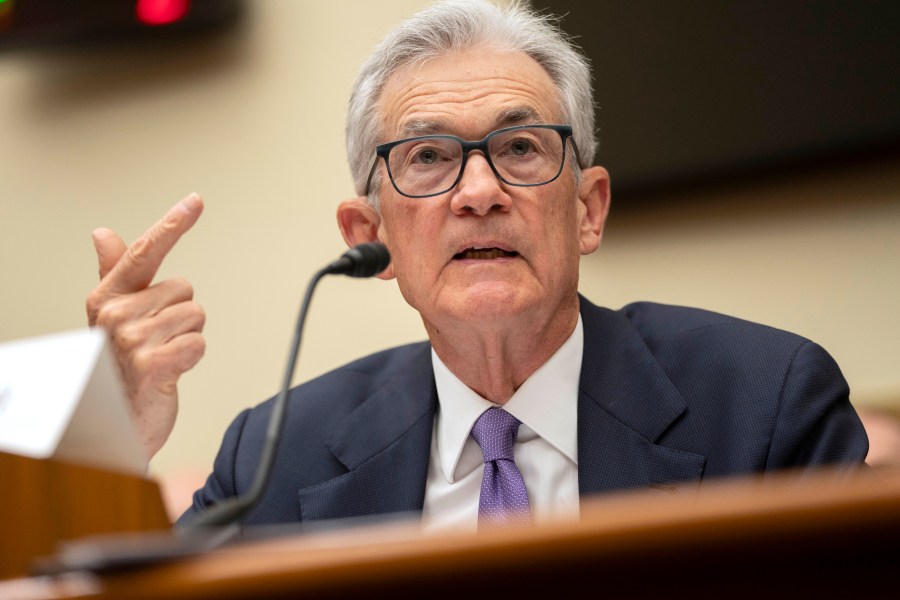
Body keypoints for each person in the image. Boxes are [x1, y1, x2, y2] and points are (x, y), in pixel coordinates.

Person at [85, 0, 868, 532]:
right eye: (427, 157)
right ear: (370, 232)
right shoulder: (276, 455)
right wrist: (111, 437)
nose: (480, 192)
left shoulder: (765, 406)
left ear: (588, 210)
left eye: (520, 147)